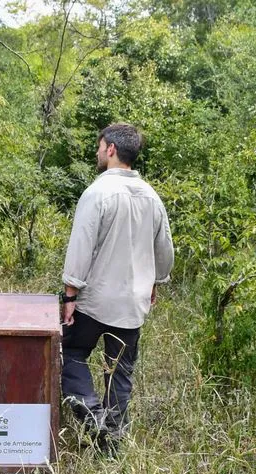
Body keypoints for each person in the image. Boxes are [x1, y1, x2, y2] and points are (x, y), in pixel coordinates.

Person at [60, 123, 174, 454]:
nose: (97, 153)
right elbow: (164, 250)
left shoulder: (97, 193)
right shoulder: (152, 197)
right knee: (120, 373)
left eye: (99, 147)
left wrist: (70, 295)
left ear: (110, 149)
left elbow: (81, 247)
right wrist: (155, 280)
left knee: (73, 354)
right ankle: (112, 446)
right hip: (132, 304)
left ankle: (93, 418)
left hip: (95, 301)